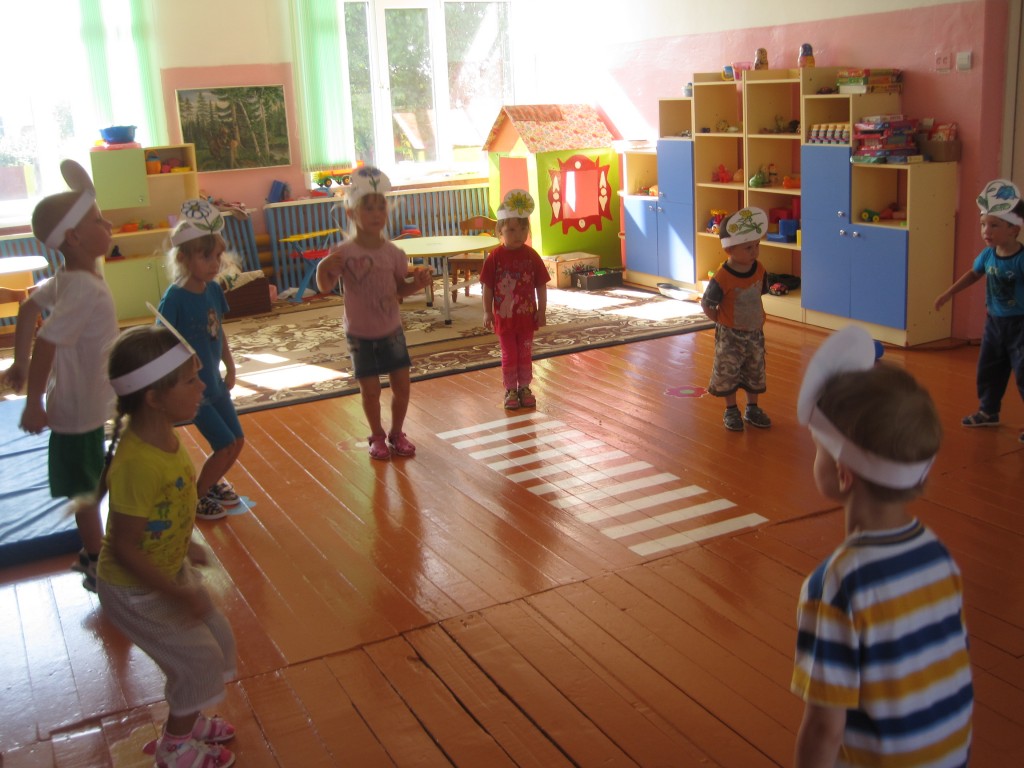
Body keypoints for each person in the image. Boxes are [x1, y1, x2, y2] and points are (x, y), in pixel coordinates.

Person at [791, 325, 973, 767]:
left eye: (818, 449)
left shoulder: (836, 584)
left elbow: (824, 728)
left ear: (843, 474)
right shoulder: (939, 556)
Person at [96, 323, 237, 768]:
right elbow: (124, 548)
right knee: (196, 661)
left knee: (217, 639)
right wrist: (176, 592)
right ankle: (175, 747)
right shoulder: (137, 462)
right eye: (190, 380)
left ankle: (189, 722)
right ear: (154, 398)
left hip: (167, 572)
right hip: (135, 590)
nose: (203, 385)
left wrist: (185, 545)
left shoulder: (166, 437)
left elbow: (167, 506)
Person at [1, 160, 119, 592]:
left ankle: (97, 551)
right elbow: (47, 339)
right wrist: (33, 401)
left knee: (91, 478)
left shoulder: (71, 276)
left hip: (84, 402)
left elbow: (27, 308)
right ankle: (95, 559)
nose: (108, 225)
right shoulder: (81, 287)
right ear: (75, 237)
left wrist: (19, 363)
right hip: (77, 409)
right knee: (84, 491)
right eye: (98, 221)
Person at [314, 166, 433, 460]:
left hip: (391, 330)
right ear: (352, 214)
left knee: (402, 387)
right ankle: (377, 435)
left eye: (381, 207)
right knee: (370, 391)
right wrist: (322, 267)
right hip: (360, 334)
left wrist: (417, 284)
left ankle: (397, 433)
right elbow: (324, 287)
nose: (376, 213)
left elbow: (398, 290)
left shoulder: (394, 254)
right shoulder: (344, 252)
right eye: (368, 208)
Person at [157, 199, 244, 520]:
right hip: (194, 390)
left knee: (237, 441)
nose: (214, 263)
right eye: (205, 256)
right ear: (183, 258)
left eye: (217, 255)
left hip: (215, 383)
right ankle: (194, 498)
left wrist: (230, 366)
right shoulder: (174, 300)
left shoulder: (212, 290)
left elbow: (218, 332)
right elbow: (161, 345)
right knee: (223, 444)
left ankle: (210, 482)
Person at [934, 178, 1024, 443]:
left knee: (1022, 373)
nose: (986, 230)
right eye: (983, 224)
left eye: (994, 225)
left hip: (1020, 325)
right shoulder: (988, 256)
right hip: (994, 323)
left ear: (1014, 229)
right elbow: (973, 275)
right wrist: (948, 293)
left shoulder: (1020, 260)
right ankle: (988, 411)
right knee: (988, 369)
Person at [700, 206, 771, 431]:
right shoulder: (723, 276)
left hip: (754, 333)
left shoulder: (759, 269)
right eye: (748, 247)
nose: (754, 252)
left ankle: (752, 408)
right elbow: (707, 304)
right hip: (730, 335)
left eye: (757, 245)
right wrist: (722, 321)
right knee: (727, 373)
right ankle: (731, 409)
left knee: (754, 371)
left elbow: (759, 294)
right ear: (729, 249)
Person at [480, 189, 550, 410]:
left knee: (525, 353)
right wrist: (487, 311)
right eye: (511, 229)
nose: (518, 234)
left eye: (523, 229)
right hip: (505, 319)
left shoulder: (532, 256)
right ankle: (510, 389)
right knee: (509, 354)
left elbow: (541, 284)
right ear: (500, 230)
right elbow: (487, 287)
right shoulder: (495, 258)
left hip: (527, 318)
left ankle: (524, 387)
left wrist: (542, 310)